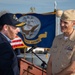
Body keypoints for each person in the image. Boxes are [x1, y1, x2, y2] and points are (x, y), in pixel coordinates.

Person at [47, 9, 75, 75]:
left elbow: (73, 68)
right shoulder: (57, 39)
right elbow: (50, 62)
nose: (61, 24)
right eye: (61, 21)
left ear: (73, 23)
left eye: (65, 22)